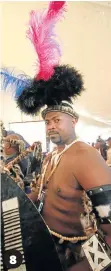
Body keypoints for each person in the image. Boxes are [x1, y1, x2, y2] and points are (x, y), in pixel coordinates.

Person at [1, 1, 111, 270]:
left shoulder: (85, 155)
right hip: (47, 245)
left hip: (79, 251)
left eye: (57, 120)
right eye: (47, 122)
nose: (51, 126)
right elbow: (39, 194)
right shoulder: (53, 155)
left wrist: (91, 264)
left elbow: (109, 222)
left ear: (73, 120)